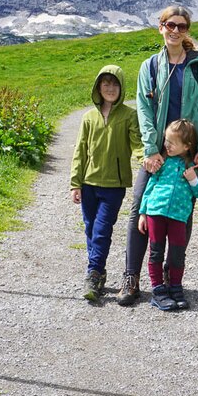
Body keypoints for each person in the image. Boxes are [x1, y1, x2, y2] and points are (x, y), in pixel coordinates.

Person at [116, 5, 198, 307]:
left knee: (181, 213)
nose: (175, 30)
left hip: (188, 153)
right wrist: (150, 150)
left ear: (187, 30)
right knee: (139, 208)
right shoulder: (149, 67)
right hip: (158, 153)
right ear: (160, 27)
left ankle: (170, 280)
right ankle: (131, 277)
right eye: (170, 25)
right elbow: (145, 112)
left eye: (182, 26)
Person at [70, 65, 142, 301]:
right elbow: (80, 150)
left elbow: (137, 143)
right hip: (89, 183)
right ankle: (98, 272)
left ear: (121, 88)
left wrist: (147, 159)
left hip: (114, 185)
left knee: (101, 230)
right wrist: (75, 183)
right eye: (105, 84)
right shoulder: (88, 117)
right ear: (98, 87)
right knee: (90, 228)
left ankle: (92, 274)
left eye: (115, 84)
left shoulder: (129, 115)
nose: (110, 89)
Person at [138, 119, 198, 311]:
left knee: (177, 253)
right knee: (156, 251)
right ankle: (158, 290)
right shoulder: (163, 162)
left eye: (172, 142)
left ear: (186, 146)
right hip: (156, 212)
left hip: (178, 216)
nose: (167, 145)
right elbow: (150, 187)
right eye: (166, 140)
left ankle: (176, 287)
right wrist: (143, 212)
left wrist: (193, 180)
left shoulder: (193, 168)